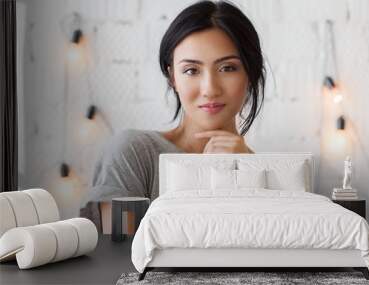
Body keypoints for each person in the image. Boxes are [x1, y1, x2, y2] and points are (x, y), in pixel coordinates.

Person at [80, 0, 267, 233]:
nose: (209, 89)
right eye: (191, 70)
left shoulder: (267, 173)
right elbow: (121, 256)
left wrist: (246, 173)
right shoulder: (134, 153)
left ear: (250, 72)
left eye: (228, 68)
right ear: (172, 78)